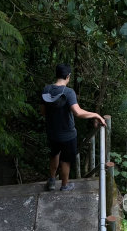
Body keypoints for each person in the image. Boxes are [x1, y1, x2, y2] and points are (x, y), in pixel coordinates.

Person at [41, 63, 106, 191]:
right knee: (65, 160)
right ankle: (65, 186)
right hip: (68, 135)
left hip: (52, 133)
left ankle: (52, 180)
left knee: (54, 154)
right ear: (68, 76)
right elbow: (77, 112)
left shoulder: (46, 90)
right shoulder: (69, 92)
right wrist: (95, 114)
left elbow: (43, 112)